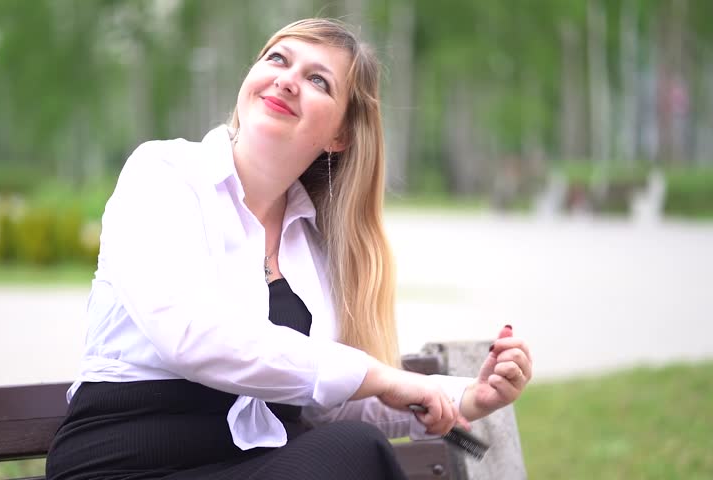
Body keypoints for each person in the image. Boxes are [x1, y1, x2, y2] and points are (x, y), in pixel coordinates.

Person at [46, 18, 533, 480]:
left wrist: (466, 396)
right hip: (124, 461)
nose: (287, 80)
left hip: (251, 465)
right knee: (354, 453)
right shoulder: (163, 174)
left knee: (352, 447)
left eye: (318, 80)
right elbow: (189, 336)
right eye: (277, 59)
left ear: (339, 134)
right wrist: (380, 376)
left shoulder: (314, 245)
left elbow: (327, 400)